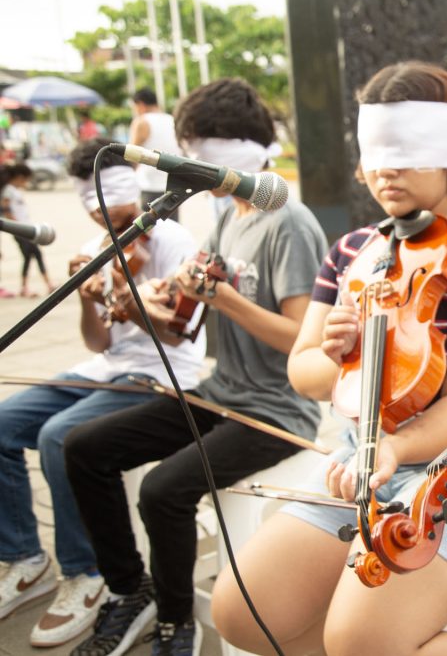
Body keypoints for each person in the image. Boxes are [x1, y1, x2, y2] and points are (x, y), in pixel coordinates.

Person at [210, 61, 447, 656]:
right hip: (361, 453)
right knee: (241, 615)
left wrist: (393, 449)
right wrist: (337, 354)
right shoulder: (352, 253)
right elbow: (304, 373)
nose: (387, 170)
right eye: (377, 154)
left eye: (408, 154)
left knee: (362, 640)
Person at [62, 77, 329, 656]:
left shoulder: (290, 221)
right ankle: (132, 589)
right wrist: (155, 301)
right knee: (83, 448)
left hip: (276, 410)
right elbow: (192, 319)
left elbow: (304, 342)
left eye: (199, 148)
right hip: (221, 390)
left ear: (235, 149)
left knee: (162, 492)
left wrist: (222, 298)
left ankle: (176, 622)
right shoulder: (230, 215)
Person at [0, 138, 204, 648]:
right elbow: (98, 341)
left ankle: (86, 571)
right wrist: (89, 302)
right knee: (3, 424)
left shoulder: (174, 241)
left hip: (160, 371)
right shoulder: (98, 249)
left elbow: (181, 334)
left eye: (124, 218)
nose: (116, 232)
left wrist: (126, 298)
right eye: (103, 221)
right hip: (103, 367)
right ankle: (25, 556)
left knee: (58, 436)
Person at [0, 162, 56, 296]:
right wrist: (15, 226)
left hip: (26, 228)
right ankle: (43, 285)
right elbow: (6, 209)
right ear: (19, 177)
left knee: (32, 255)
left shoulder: (14, 190)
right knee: (33, 254)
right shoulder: (9, 190)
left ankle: (32, 286)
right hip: (21, 230)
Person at [129, 88, 182, 220]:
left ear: (140, 104)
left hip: (150, 185)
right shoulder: (173, 120)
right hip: (172, 186)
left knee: (150, 232)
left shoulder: (142, 122)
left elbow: (132, 156)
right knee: (173, 229)